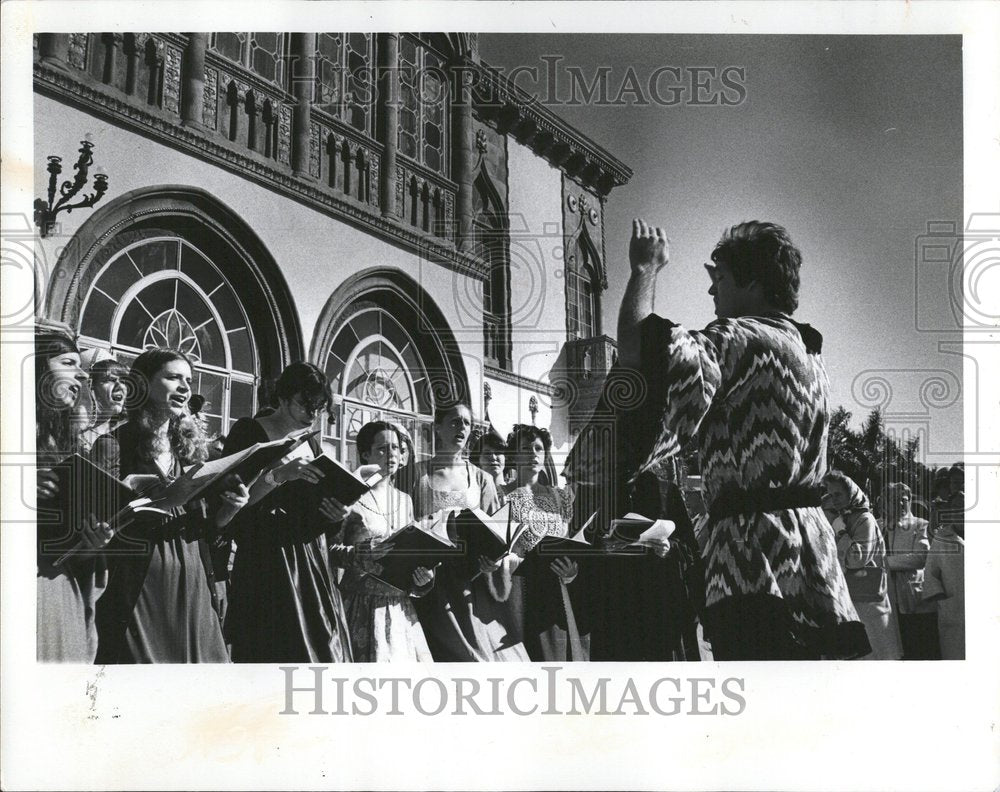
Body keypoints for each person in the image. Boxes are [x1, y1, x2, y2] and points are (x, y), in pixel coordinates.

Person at [586, 218, 867, 660]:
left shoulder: (740, 339)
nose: (712, 291)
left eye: (719, 278)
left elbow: (644, 356)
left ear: (751, 281)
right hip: (814, 557)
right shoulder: (808, 351)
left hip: (754, 561)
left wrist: (644, 271)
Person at [90, 348, 248, 663]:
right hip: (141, 589)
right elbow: (98, 521)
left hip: (195, 587)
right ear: (143, 384)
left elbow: (206, 530)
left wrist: (229, 510)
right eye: (173, 377)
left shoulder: (191, 453)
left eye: (188, 380)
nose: (185, 387)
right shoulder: (113, 446)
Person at [222, 362, 360, 663]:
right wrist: (279, 476)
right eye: (305, 405)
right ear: (282, 397)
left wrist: (335, 512)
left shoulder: (309, 439)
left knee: (324, 645)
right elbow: (231, 501)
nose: (311, 415)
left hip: (311, 555)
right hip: (269, 559)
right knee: (283, 647)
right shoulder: (250, 431)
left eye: (319, 408)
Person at [410, 401, 528, 661]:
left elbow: (498, 535)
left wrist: (493, 562)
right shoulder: (415, 474)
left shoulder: (481, 479)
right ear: (437, 427)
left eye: (467, 423)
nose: (462, 428)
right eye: (454, 421)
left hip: (472, 589)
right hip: (431, 586)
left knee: (485, 660)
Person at [35, 329, 113, 662]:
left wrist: (90, 543)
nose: (81, 374)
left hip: (57, 589)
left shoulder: (64, 443)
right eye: (68, 363)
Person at [339, 421, 435, 662]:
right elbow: (327, 551)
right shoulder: (349, 497)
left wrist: (422, 578)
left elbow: (411, 554)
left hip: (399, 609)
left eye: (395, 447)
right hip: (360, 608)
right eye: (382, 448)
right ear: (365, 454)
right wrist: (361, 553)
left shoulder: (405, 501)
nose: (391, 454)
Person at [495, 424, 585, 661]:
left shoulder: (561, 497)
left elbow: (574, 543)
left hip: (559, 592)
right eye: (525, 448)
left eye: (538, 448)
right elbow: (497, 548)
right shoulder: (502, 496)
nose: (533, 453)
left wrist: (572, 571)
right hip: (521, 593)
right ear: (514, 455)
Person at [823, 471, 902, 660]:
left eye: (839, 494)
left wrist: (840, 530)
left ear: (851, 493)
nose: (834, 500)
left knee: (875, 652)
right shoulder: (840, 517)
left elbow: (856, 559)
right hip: (848, 597)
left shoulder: (864, 519)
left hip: (867, 600)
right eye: (831, 495)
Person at [880, 482, 939, 660]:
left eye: (903, 500)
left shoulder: (920, 525)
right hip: (884, 596)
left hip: (911, 599)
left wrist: (884, 563)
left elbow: (921, 558)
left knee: (916, 648)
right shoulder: (877, 525)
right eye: (893, 500)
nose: (899, 504)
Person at [78, 357, 128, 451]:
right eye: (111, 380)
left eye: (124, 382)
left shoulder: (126, 433)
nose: (120, 386)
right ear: (91, 386)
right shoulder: (73, 430)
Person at [470, 424, 509, 504]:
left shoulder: (516, 494)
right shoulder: (471, 495)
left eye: (498, 453)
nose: (493, 457)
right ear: (478, 460)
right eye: (487, 453)